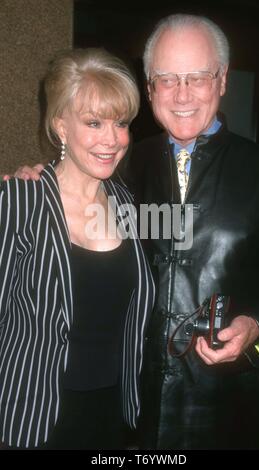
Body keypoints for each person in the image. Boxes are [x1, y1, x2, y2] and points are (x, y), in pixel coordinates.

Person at [8, 14, 259, 450]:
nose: (183, 94)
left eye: (198, 77)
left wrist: (258, 323)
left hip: (228, 411)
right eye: (167, 79)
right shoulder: (124, 167)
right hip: (132, 413)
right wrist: (29, 183)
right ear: (150, 88)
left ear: (223, 80)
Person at [0, 47, 155, 449]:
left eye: (121, 122)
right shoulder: (20, 199)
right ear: (61, 127)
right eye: (94, 122)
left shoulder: (128, 204)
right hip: (31, 416)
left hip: (112, 416)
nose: (113, 139)